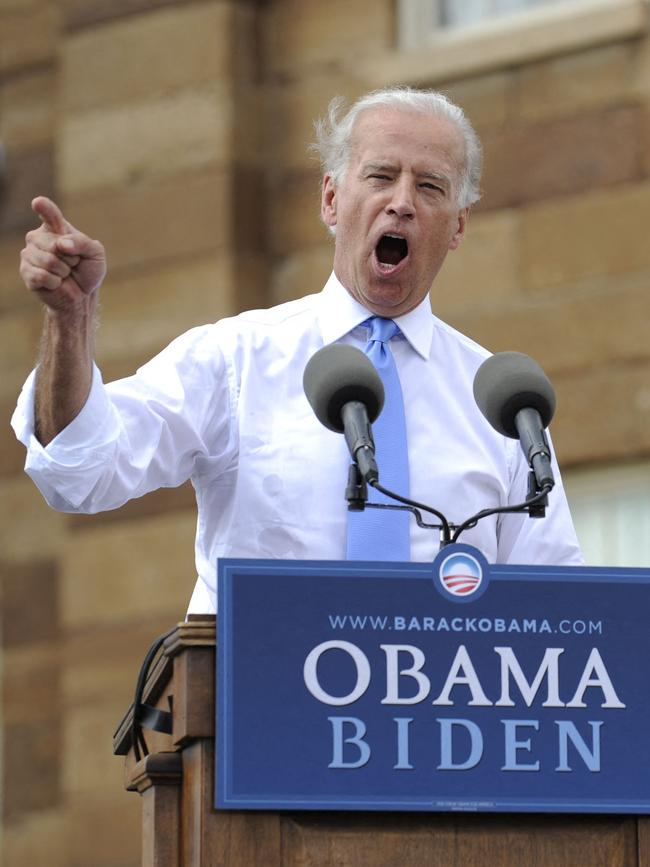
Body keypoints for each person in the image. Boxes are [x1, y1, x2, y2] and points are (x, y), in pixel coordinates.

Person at [11, 87, 583, 613]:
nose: (402, 203)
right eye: (380, 176)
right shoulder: (237, 358)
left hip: (441, 718)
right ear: (332, 200)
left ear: (458, 227)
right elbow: (80, 473)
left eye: (429, 187)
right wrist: (70, 317)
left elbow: (557, 602)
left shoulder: (503, 404)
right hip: (261, 708)